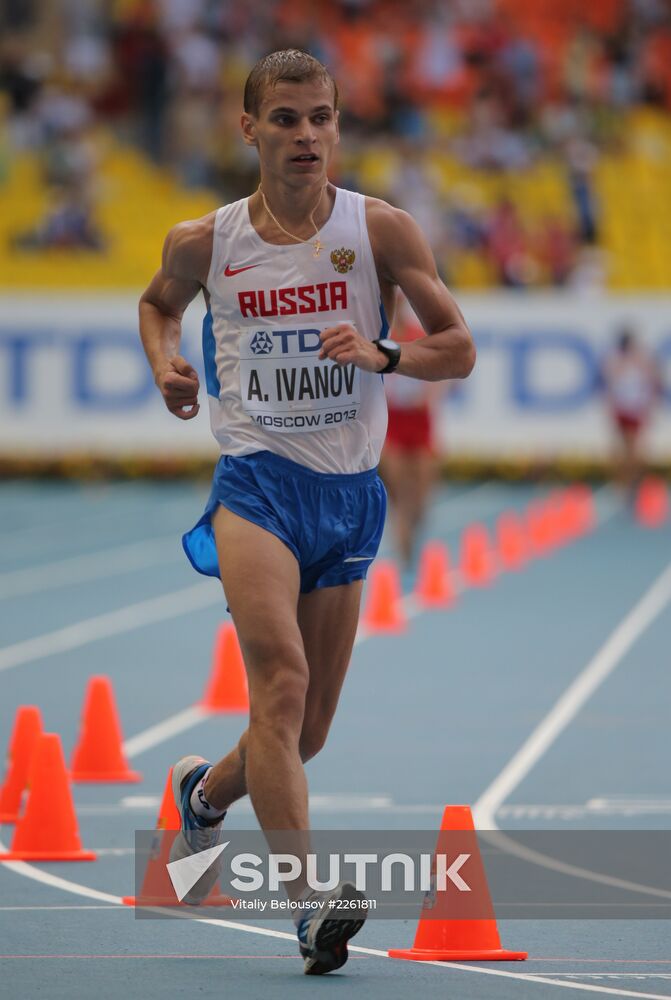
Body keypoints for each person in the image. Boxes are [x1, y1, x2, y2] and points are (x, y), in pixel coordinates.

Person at [138, 49, 475, 975]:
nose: (306, 136)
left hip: (350, 495)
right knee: (277, 684)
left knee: (307, 730)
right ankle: (307, 905)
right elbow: (157, 304)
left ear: (336, 125)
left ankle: (202, 797)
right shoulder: (205, 241)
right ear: (249, 129)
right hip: (257, 485)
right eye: (285, 119)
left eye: (320, 118)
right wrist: (166, 362)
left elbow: (457, 347)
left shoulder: (383, 232)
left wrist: (383, 354)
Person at [380, 295, 443, 569]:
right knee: (397, 484)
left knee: (421, 494)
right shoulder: (380, 339)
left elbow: (439, 373)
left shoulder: (418, 337)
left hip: (420, 422)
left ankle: (413, 524)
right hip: (392, 421)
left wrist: (430, 394)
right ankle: (401, 531)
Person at [601, 326, 661, 494]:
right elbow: (610, 386)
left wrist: (648, 405)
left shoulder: (640, 361)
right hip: (623, 409)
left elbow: (652, 382)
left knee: (634, 450)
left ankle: (633, 483)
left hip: (634, 409)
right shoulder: (616, 361)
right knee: (623, 449)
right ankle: (622, 483)